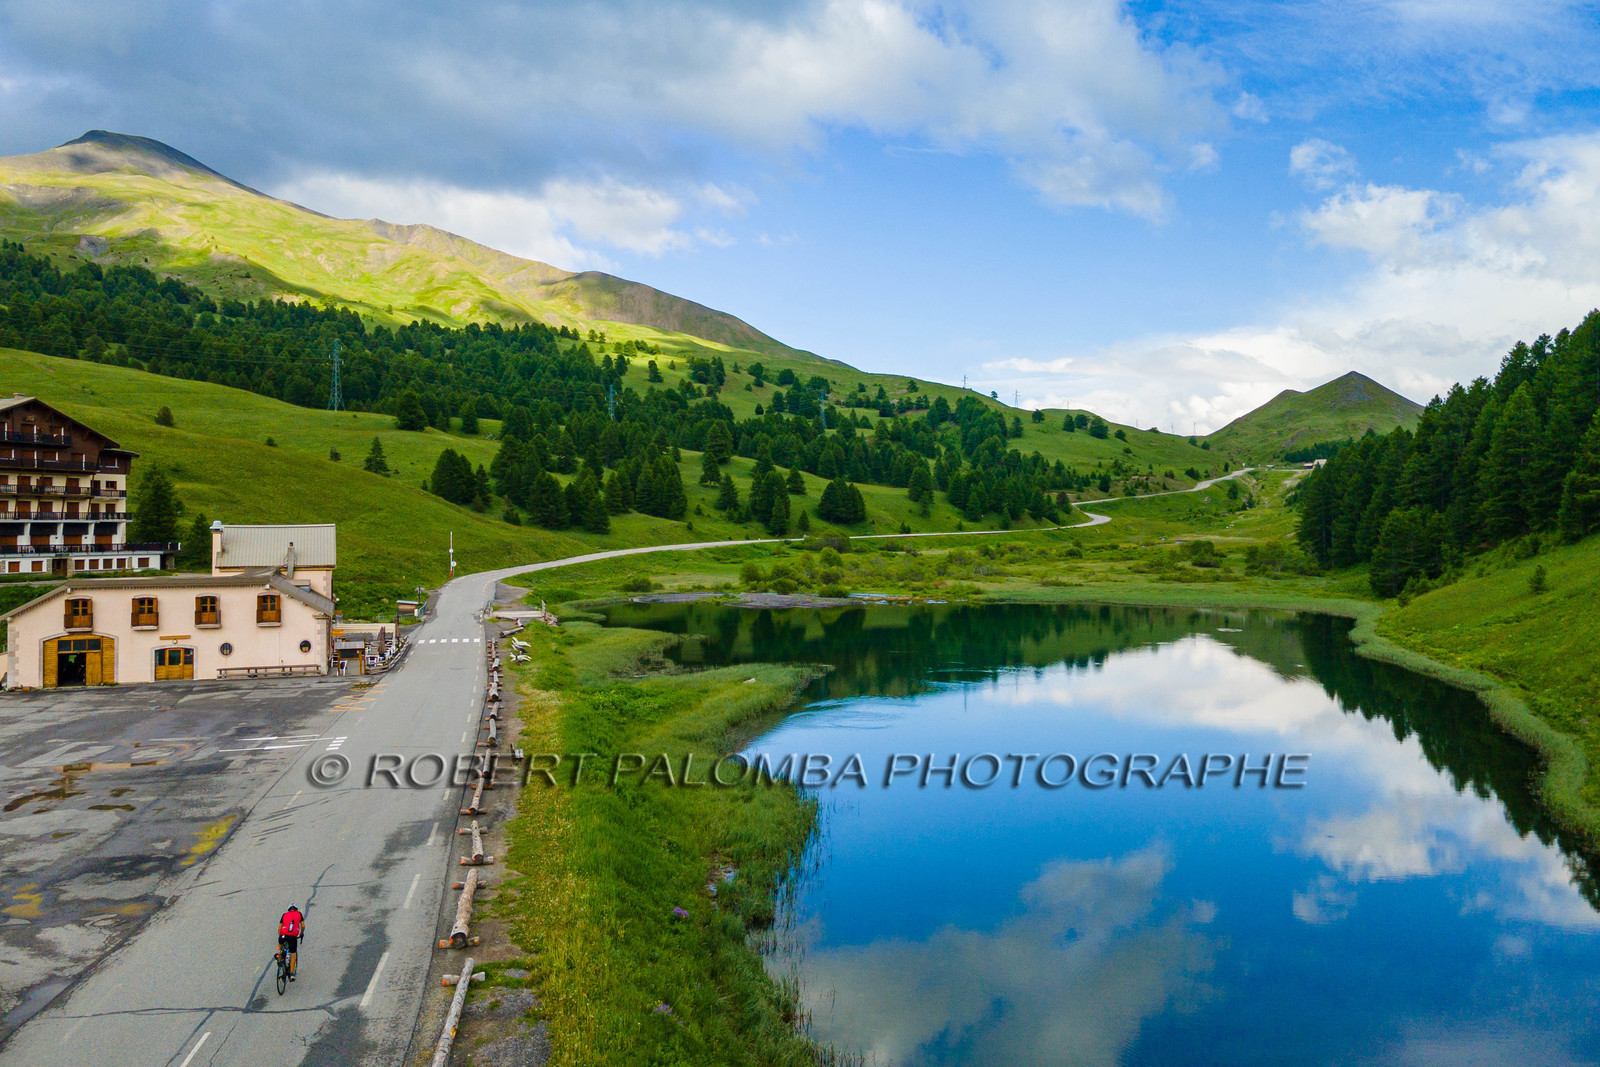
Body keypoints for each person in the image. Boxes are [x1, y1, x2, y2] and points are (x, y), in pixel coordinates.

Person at [278, 905, 305, 980]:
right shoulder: (299, 914)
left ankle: (279, 956)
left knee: (280, 946)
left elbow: (279, 928)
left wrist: (280, 937)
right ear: (296, 909)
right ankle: (291, 974)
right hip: (292, 936)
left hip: (283, 935)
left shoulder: (284, 915)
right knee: (293, 954)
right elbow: (303, 926)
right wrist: (301, 933)